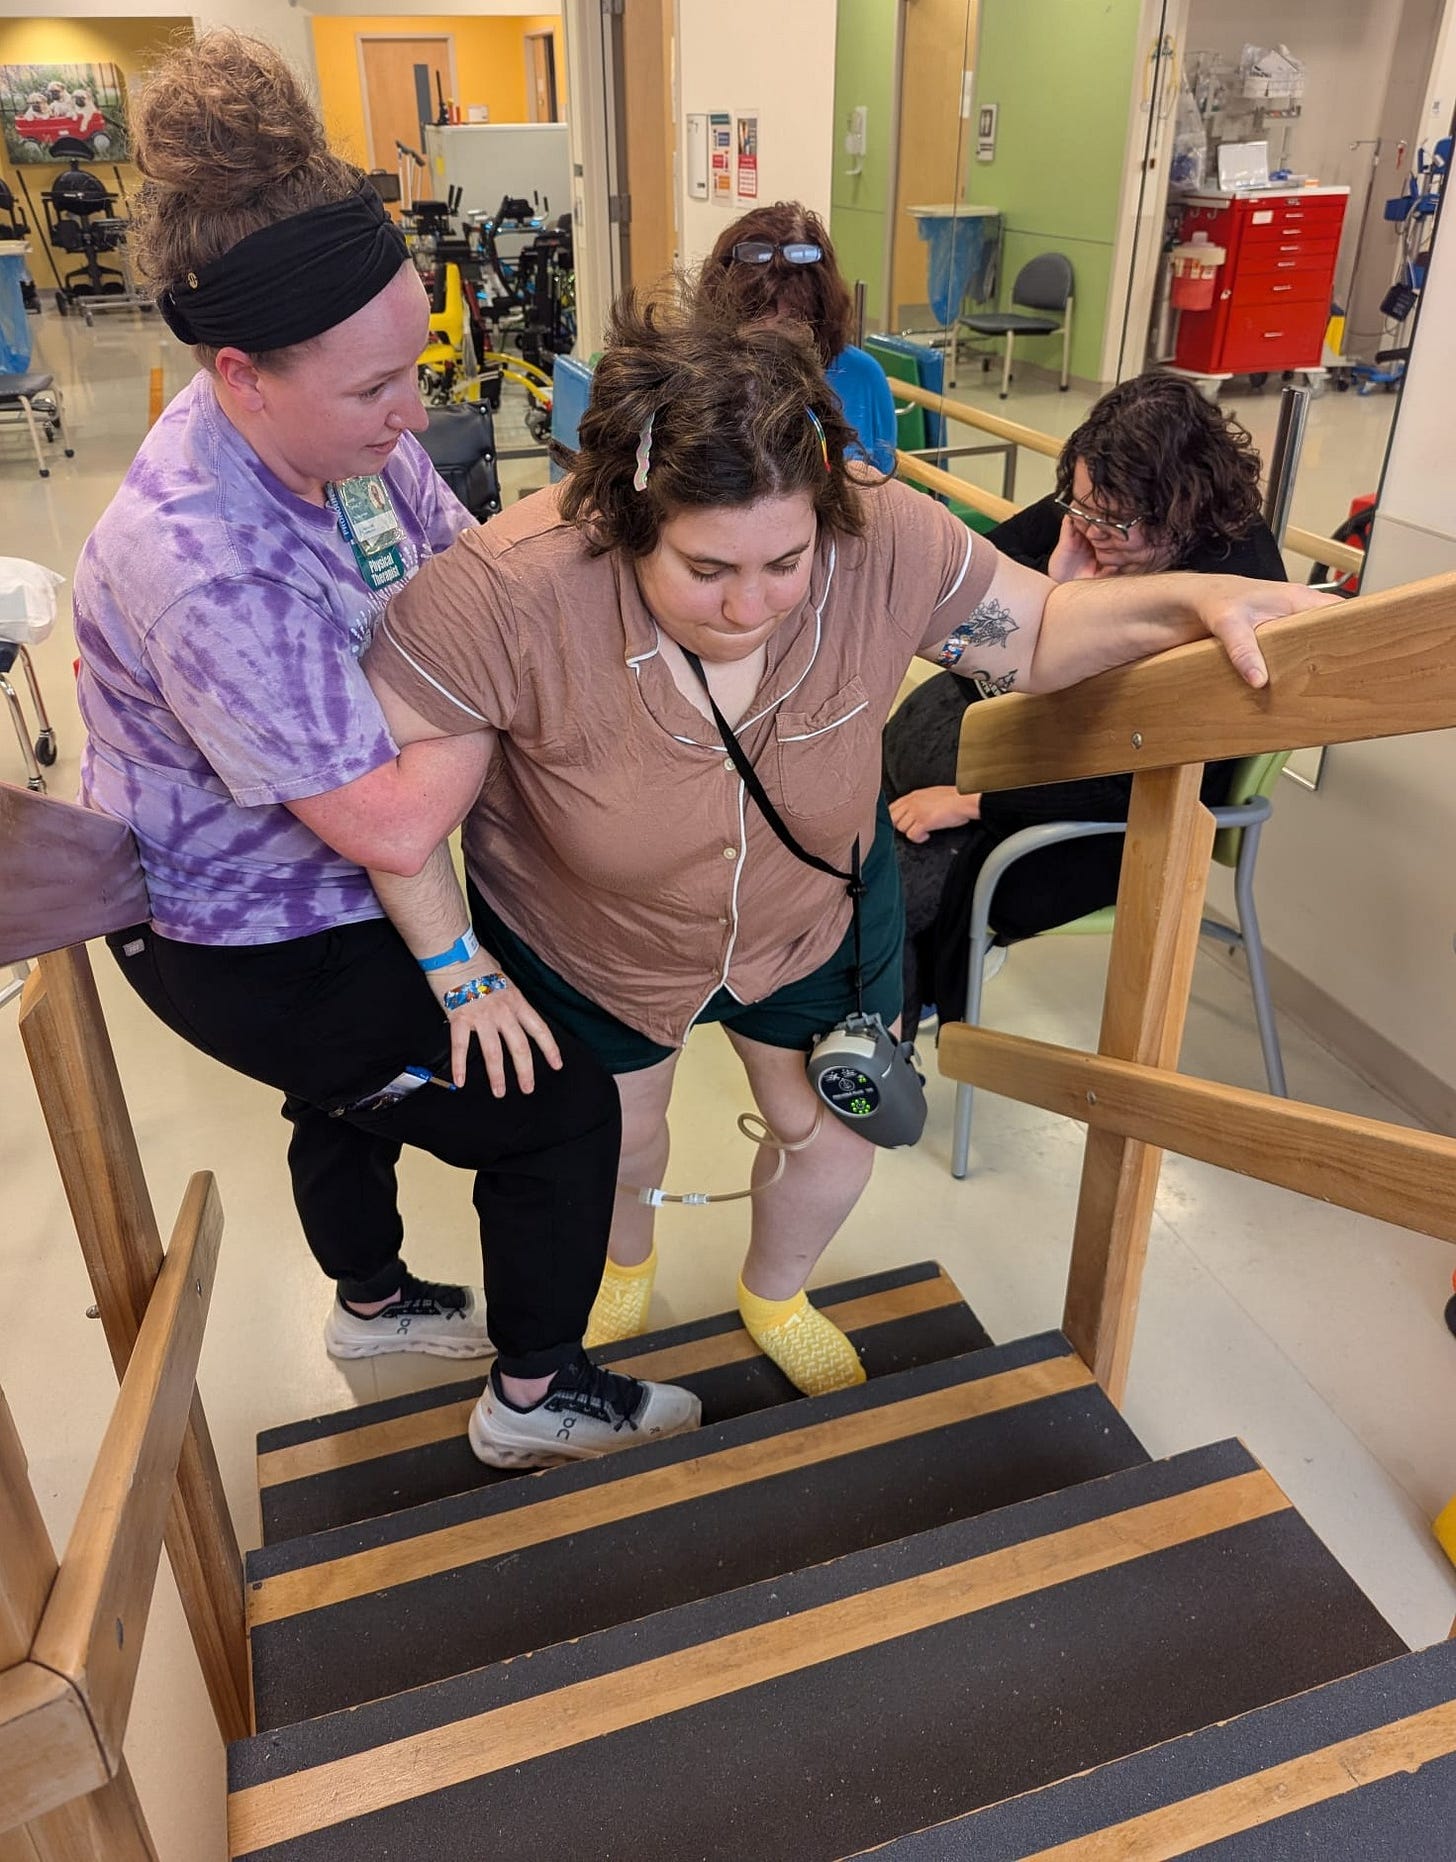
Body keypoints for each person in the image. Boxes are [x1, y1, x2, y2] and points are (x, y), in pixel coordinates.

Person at [358, 293, 1329, 1398]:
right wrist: (455, 965)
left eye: (785, 561)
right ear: (626, 519)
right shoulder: (505, 589)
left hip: (806, 910)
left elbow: (1042, 630)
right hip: (594, 937)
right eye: (706, 568)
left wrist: (1192, 596)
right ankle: (625, 1259)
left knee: (828, 1126)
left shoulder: (873, 526)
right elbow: (391, 798)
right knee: (613, 1143)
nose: (751, 605)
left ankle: (775, 1290)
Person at [71, 32, 699, 1470]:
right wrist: (494, 691)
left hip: (325, 880)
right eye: (374, 394)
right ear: (238, 376)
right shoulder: (203, 561)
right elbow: (396, 820)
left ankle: (370, 1302)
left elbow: (454, 572)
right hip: (248, 934)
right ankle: (535, 1398)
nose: (414, 416)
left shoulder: (340, 437)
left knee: (348, 1099)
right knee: (555, 1117)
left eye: (413, 368)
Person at [884, 372, 1289, 1032]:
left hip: (1108, 811)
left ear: (1181, 508)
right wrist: (1057, 591)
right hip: (1030, 747)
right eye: (1077, 505)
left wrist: (975, 800)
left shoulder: (1236, 592)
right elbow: (979, 594)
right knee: (870, 820)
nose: (1085, 527)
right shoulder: (1101, 507)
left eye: (1109, 520)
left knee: (881, 896)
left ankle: (882, 1055)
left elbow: (1152, 782)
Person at [700, 201, 898, 471]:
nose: (775, 337)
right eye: (758, 316)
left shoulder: (863, 376)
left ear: (821, 315)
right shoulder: (698, 384)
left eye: (793, 320)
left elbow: (883, 488)